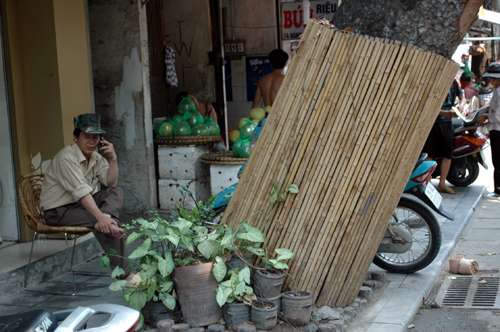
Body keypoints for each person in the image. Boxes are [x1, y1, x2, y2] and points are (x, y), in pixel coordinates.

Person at [40, 113, 139, 286]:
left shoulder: (95, 157)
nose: (91, 142)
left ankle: (108, 222)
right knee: (103, 222)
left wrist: (113, 158)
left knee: (115, 192)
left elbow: (111, 182)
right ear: (75, 137)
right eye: (86, 137)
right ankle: (125, 276)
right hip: (58, 212)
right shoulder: (67, 158)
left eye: (95, 137)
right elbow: (82, 193)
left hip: (78, 207)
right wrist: (102, 219)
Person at [422, 78, 466, 194]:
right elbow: (426, 107)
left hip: (447, 123)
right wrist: (446, 113)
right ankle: (427, 184)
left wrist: (461, 105)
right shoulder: (434, 80)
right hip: (432, 123)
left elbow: (462, 96)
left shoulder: (453, 82)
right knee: (429, 154)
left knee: (447, 154)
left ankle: (442, 184)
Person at [478, 62, 500, 197]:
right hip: (495, 128)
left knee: (498, 161)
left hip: (498, 129)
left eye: (493, 78)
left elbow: (497, 115)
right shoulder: (496, 91)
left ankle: (498, 190)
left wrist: (486, 116)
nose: (491, 81)